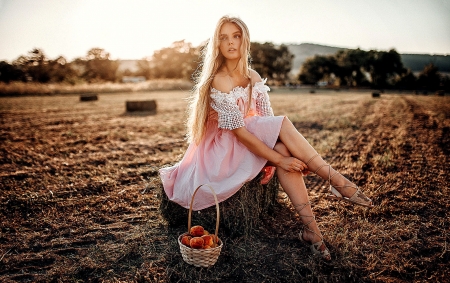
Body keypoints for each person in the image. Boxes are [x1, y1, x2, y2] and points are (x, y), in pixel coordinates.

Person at [159, 15, 373, 261]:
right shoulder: (219, 79)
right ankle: (336, 180)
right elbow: (239, 132)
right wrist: (278, 161)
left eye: (236, 36)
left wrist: (277, 156)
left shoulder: (254, 77)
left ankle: (312, 232)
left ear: (245, 40)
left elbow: (265, 120)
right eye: (223, 38)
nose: (230, 43)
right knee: (281, 139)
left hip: (244, 143)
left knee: (282, 142)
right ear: (217, 44)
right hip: (221, 151)